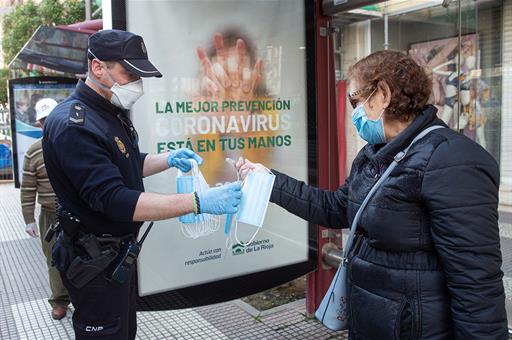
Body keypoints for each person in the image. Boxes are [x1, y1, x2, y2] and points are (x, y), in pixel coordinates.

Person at [236, 50, 507, 339]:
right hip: (374, 322)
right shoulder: (375, 154)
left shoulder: (451, 159)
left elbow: (475, 282)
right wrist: (270, 183)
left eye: (355, 100)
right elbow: (336, 207)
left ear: (382, 94)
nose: (354, 112)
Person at [42, 29, 242, 340]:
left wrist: (168, 158)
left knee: (123, 332)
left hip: (114, 255)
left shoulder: (107, 111)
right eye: (129, 72)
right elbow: (115, 198)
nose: (136, 83)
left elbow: (124, 162)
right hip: (92, 262)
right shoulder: (74, 126)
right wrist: (199, 201)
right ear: (98, 67)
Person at [20, 97, 70, 320]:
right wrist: (28, 219)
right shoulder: (33, 152)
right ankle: (59, 300)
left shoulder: (75, 143)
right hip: (50, 215)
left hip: (77, 213)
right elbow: (28, 189)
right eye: (43, 120)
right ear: (39, 124)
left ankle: (83, 298)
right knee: (53, 259)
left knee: (83, 256)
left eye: (51, 118)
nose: (48, 123)